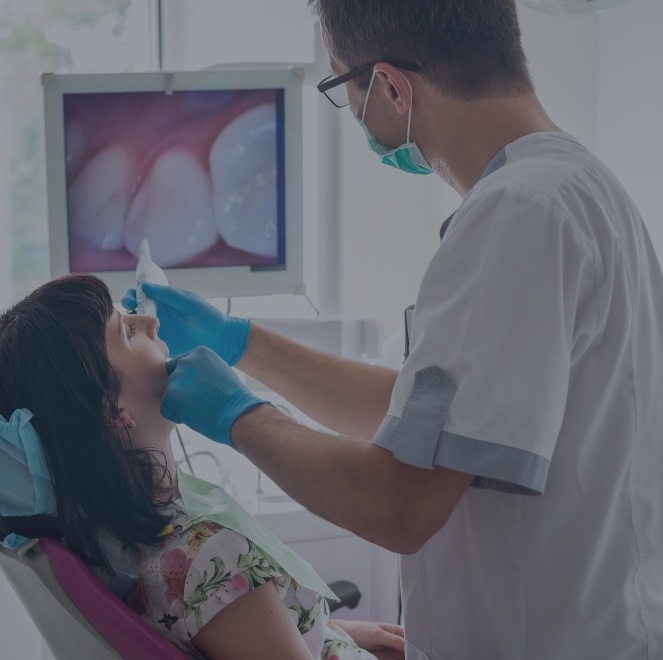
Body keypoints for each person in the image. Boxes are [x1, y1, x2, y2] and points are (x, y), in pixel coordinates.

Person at [123, 0, 663, 658]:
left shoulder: (516, 215)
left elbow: (400, 505)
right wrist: (242, 344)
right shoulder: (581, 190)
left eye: (337, 87)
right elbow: (432, 425)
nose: (351, 114)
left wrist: (237, 415)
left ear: (390, 85)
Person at [0, 274, 405, 660]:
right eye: (127, 331)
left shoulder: (122, 548)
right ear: (112, 408)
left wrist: (329, 634)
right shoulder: (209, 557)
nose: (151, 321)